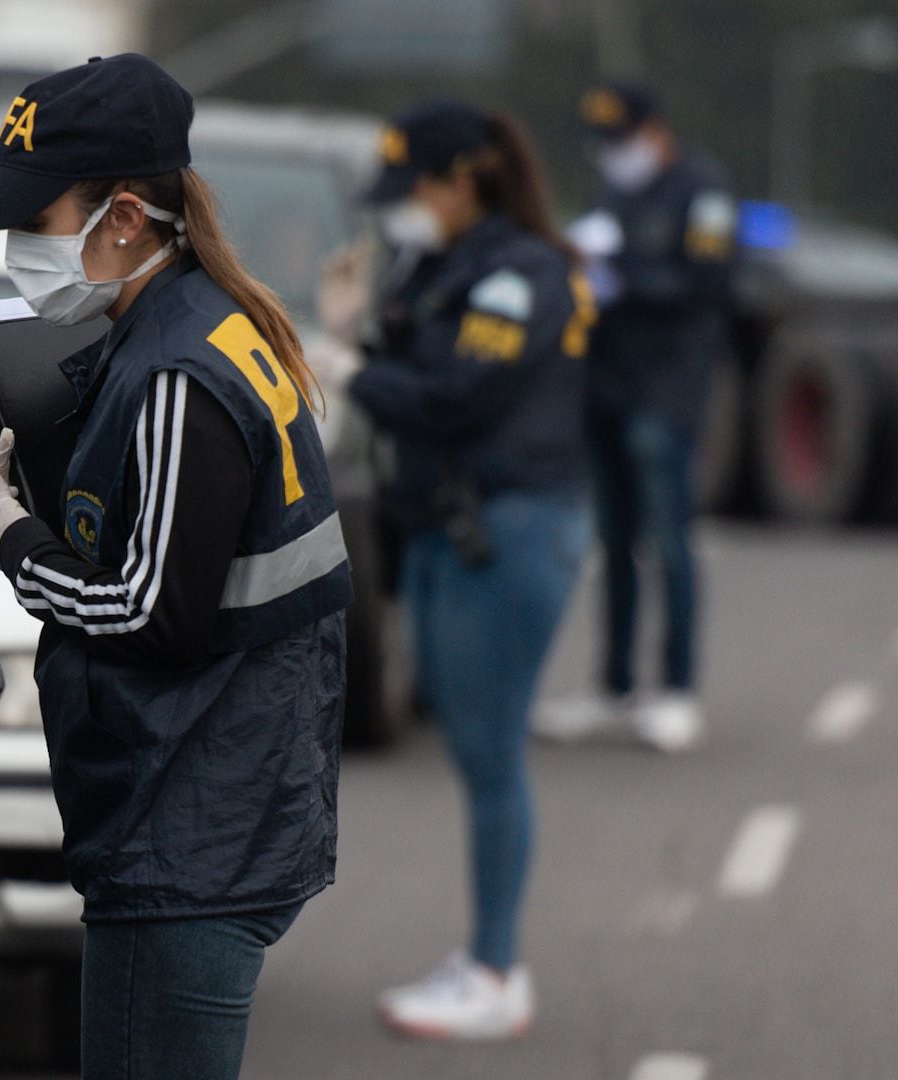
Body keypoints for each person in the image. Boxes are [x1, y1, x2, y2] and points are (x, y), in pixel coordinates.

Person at [0, 54, 351, 1079]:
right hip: (229, 805)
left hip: (187, 832)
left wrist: (14, 543)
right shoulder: (202, 321)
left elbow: (151, 614)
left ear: (122, 216)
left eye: (33, 219)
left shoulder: (175, 372)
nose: (13, 247)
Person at [346, 101, 593, 1040]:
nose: (402, 212)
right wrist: (359, 329)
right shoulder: (448, 263)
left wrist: (351, 363)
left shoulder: (524, 273)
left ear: (463, 182)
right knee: (464, 732)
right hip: (456, 527)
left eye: (414, 192)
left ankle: (496, 970)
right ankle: (488, 955)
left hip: (514, 528)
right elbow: (420, 364)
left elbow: (455, 395)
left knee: (490, 753)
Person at [537, 81, 736, 753]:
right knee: (614, 542)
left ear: (656, 132)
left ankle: (677, 688)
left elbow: (710, 285)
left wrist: (625, 275)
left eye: (623, 140)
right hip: (609, 388)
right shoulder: (613, 192)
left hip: (668, 390)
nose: (614, 154)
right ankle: (613, 685)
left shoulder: (703, 190)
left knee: (670, 542)